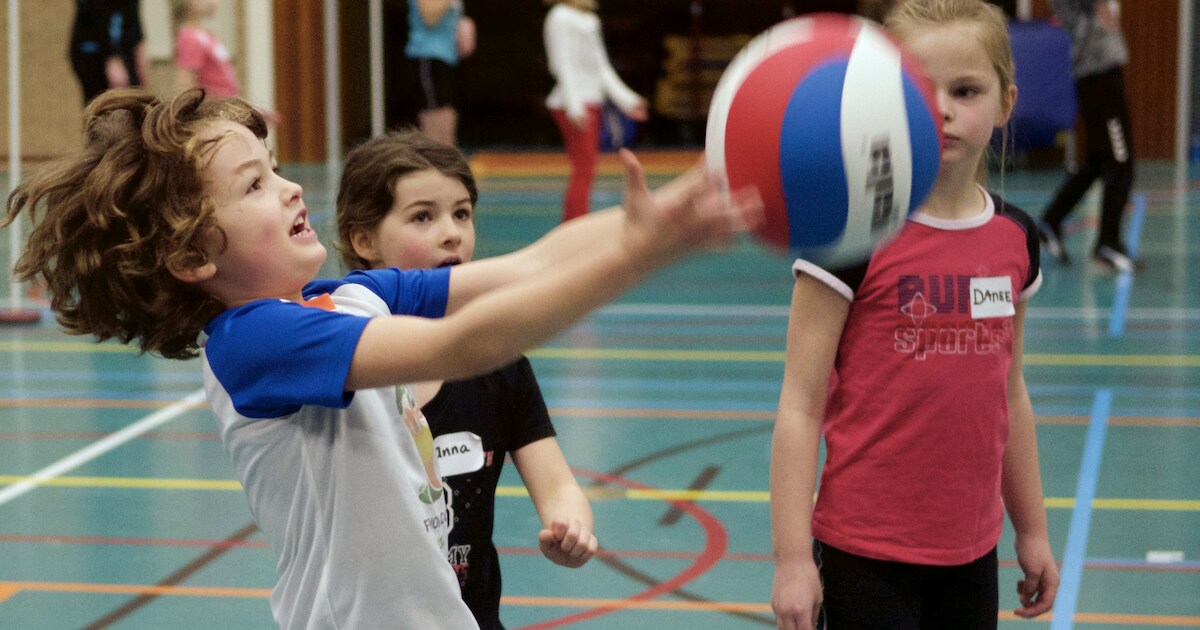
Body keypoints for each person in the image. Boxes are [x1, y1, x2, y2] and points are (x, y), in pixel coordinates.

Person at [1, 88, 759, 630]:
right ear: (195, 253)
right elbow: (467, 344)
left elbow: (523, 267)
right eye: (256, 183)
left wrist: (676, 202)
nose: (293, 187)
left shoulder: (353, 298)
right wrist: (638, 258)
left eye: (275, 166)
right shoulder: (255, 343)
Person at [768, 1, 1059, 628]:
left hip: (972, 554)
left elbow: (1010, 392)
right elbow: (799, 402)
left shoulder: (1015, 238)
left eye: (966, 90)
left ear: (1006, 102)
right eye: (919, 91)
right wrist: (792, 559)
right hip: (863, 554)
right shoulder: (848, 233)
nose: (943, 109)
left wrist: (1031, 529)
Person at [335, 130, 597, 629]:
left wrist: (572, 525)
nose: (452, 232)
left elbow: (559, 485)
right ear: (363, 240)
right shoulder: (338, 366)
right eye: (423, 216)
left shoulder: (499, 365)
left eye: (462, 213)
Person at [1036, 0, 1137, 272]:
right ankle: (1107, 243)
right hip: (1097, 76)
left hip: (1102, 74)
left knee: (1097, 161)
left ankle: (1052, 220)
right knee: (1119, 162)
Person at [543, 0, 649, 223]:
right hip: (573, 104)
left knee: (586, 169)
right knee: (584, 169)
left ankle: (574, 224)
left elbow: (601, 67)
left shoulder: (591, 20)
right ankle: (573, 225)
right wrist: (574, 105)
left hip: (590, 102)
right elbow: (563, 65)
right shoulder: (559, 17)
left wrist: (627, 100)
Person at [171, 0, 279, 125]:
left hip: (225, 111)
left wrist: (246, 109)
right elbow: (184, 86)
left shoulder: (206, 35)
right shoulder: (190, 38)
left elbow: (222, 83)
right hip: (213, 117)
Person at [406, 0, 476, 146]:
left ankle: (446, 165)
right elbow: (429, 17)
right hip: (428, 57)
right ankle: (435, 165)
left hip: (448, 59)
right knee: (436, 129)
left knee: (448, 122)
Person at [69, 0, 147, 104]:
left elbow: (131, 12)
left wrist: (140, 44)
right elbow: (96, 16)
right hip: (93, 51)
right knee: (103, 101)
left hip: (122, 45)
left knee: (134, 96)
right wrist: (113, 56)